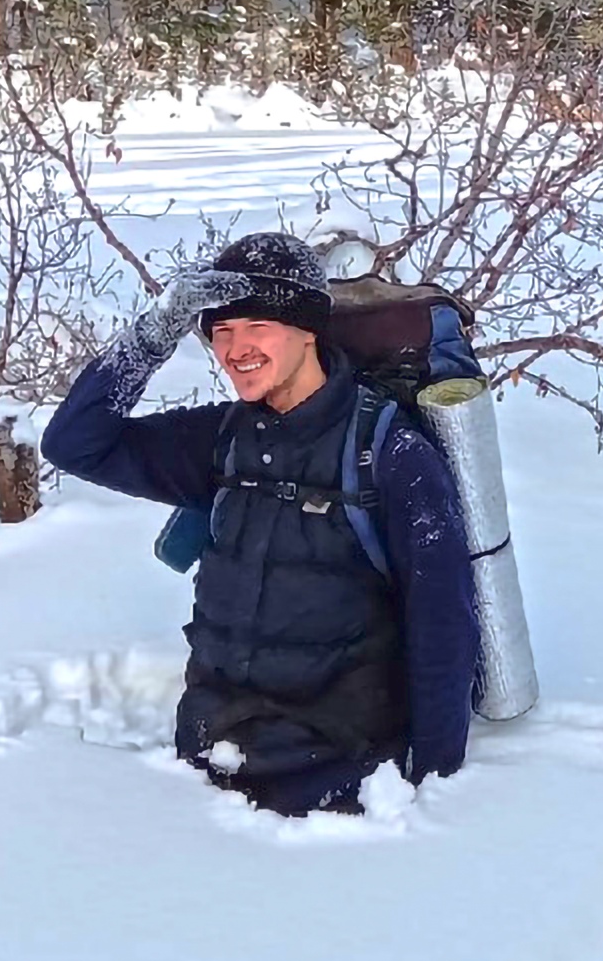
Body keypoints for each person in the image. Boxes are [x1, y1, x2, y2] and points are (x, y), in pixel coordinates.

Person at [41, 232, 480, 816]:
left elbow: (444, 621)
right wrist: (155, 333)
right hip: (200, 768)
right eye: (220, 331)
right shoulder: (220, 438)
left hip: (333, 786)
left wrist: (434, 781)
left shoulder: (389, 452)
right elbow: (73, 444)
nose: (235, 349)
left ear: (308, 330)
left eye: (257, 327)